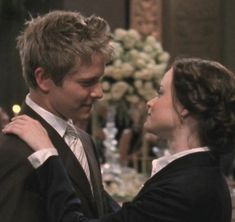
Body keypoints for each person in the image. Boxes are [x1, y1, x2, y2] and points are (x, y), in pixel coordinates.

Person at [4, 57, 235, 222]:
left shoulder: (186, 187)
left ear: (185, 107)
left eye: (161, 92)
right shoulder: (193, 175)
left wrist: (47, 154)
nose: (150, 102)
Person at [0, 10, 119, 222]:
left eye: (100, 80)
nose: (99, 92)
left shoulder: (84, 140)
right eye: (87, 82)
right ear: (44, 78)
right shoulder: (12, 150)